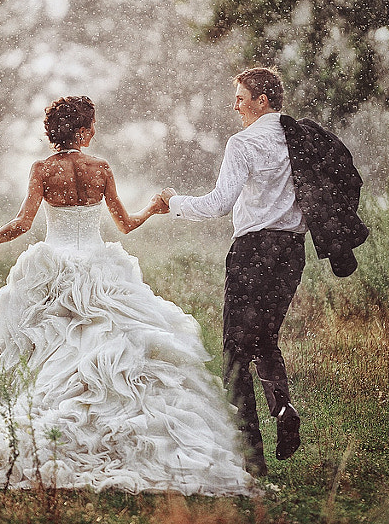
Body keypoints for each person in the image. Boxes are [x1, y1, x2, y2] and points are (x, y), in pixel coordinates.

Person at [0, 96, 256, 497]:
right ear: (82, 131)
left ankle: (46, 425)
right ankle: (132, 430)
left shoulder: (43, 169)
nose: (95, 131)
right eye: (92, 125)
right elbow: (126, 224)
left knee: (44, 347)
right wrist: (153, 208)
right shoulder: (100, 168)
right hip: (101, 267)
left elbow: (22, 224)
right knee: (113, 342)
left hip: (53, 268)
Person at [159, 67, 309, 477]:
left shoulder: (244, 143)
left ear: (263, 101)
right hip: (292, 251)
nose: (235, 106)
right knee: (265, 339)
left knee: (235, 351)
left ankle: (250, 456)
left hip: (254, 252)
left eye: (241, 98)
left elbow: (219, 203)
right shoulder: (299, 138)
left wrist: (174, 202)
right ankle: (283, 406)